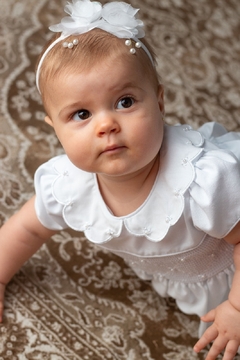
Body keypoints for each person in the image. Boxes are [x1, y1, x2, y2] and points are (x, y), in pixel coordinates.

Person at [1, 0, 240, 358]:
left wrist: (235, 308)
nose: (106, 124)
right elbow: (28, 228)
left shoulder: (203, 182)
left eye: (125, 102)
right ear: (56, 131)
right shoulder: (68, 184)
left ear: (159, 102)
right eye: (81, 114)